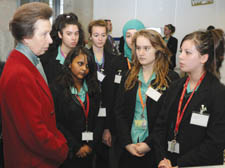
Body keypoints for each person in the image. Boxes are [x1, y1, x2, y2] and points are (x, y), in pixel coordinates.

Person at [0, 2, 69, 168]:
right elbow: (34, 133)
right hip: (32, 161)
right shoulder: (19, 74)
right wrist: (62, 149)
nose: (50, 40)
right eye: (44, 34)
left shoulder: (26, 63)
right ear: (26, 37)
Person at [156, 29, 225, 168]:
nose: (180, 56)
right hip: (168, 161)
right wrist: (163, 158)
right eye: (181, 51)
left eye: (187, 53)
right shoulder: (175, 86)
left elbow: (215, 142)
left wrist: (180, 164)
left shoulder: (217, 92)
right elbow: (160, 125)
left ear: (203, 58)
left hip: (198, 164)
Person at [114, 29, 180, 168]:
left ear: (158, 49)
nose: (141, 53)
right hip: (128, 147)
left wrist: (149, 144)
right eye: (138, 48)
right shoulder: (128, 76)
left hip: (156, 150)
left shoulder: (170, 79)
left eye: (146, 48)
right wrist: (127, 143)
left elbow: (167, 119)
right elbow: (119, 111)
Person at [50, 46, 103, 168]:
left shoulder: (94, 89)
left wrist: (91, 145)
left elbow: (100, 117)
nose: (84, 69)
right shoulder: (57, 88)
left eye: (88, 66)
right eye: (80, 64)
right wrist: (76, 146)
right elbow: (56, 122)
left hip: (90, 150)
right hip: (67, 151)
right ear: (69, 64)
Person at [105, 19, 145, 168]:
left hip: (142, 127)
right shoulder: (115, 63)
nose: (132, 40)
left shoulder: (148, 64)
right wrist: (107, 128)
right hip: (118, 127)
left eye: (136, 35)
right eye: (128, 36)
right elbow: (108, 98)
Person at [41, 12, 84, 84]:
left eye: (76, 33)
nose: (74, 38)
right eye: (69, 34)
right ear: (60, 34)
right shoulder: (47, 58)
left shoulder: (84, 56)